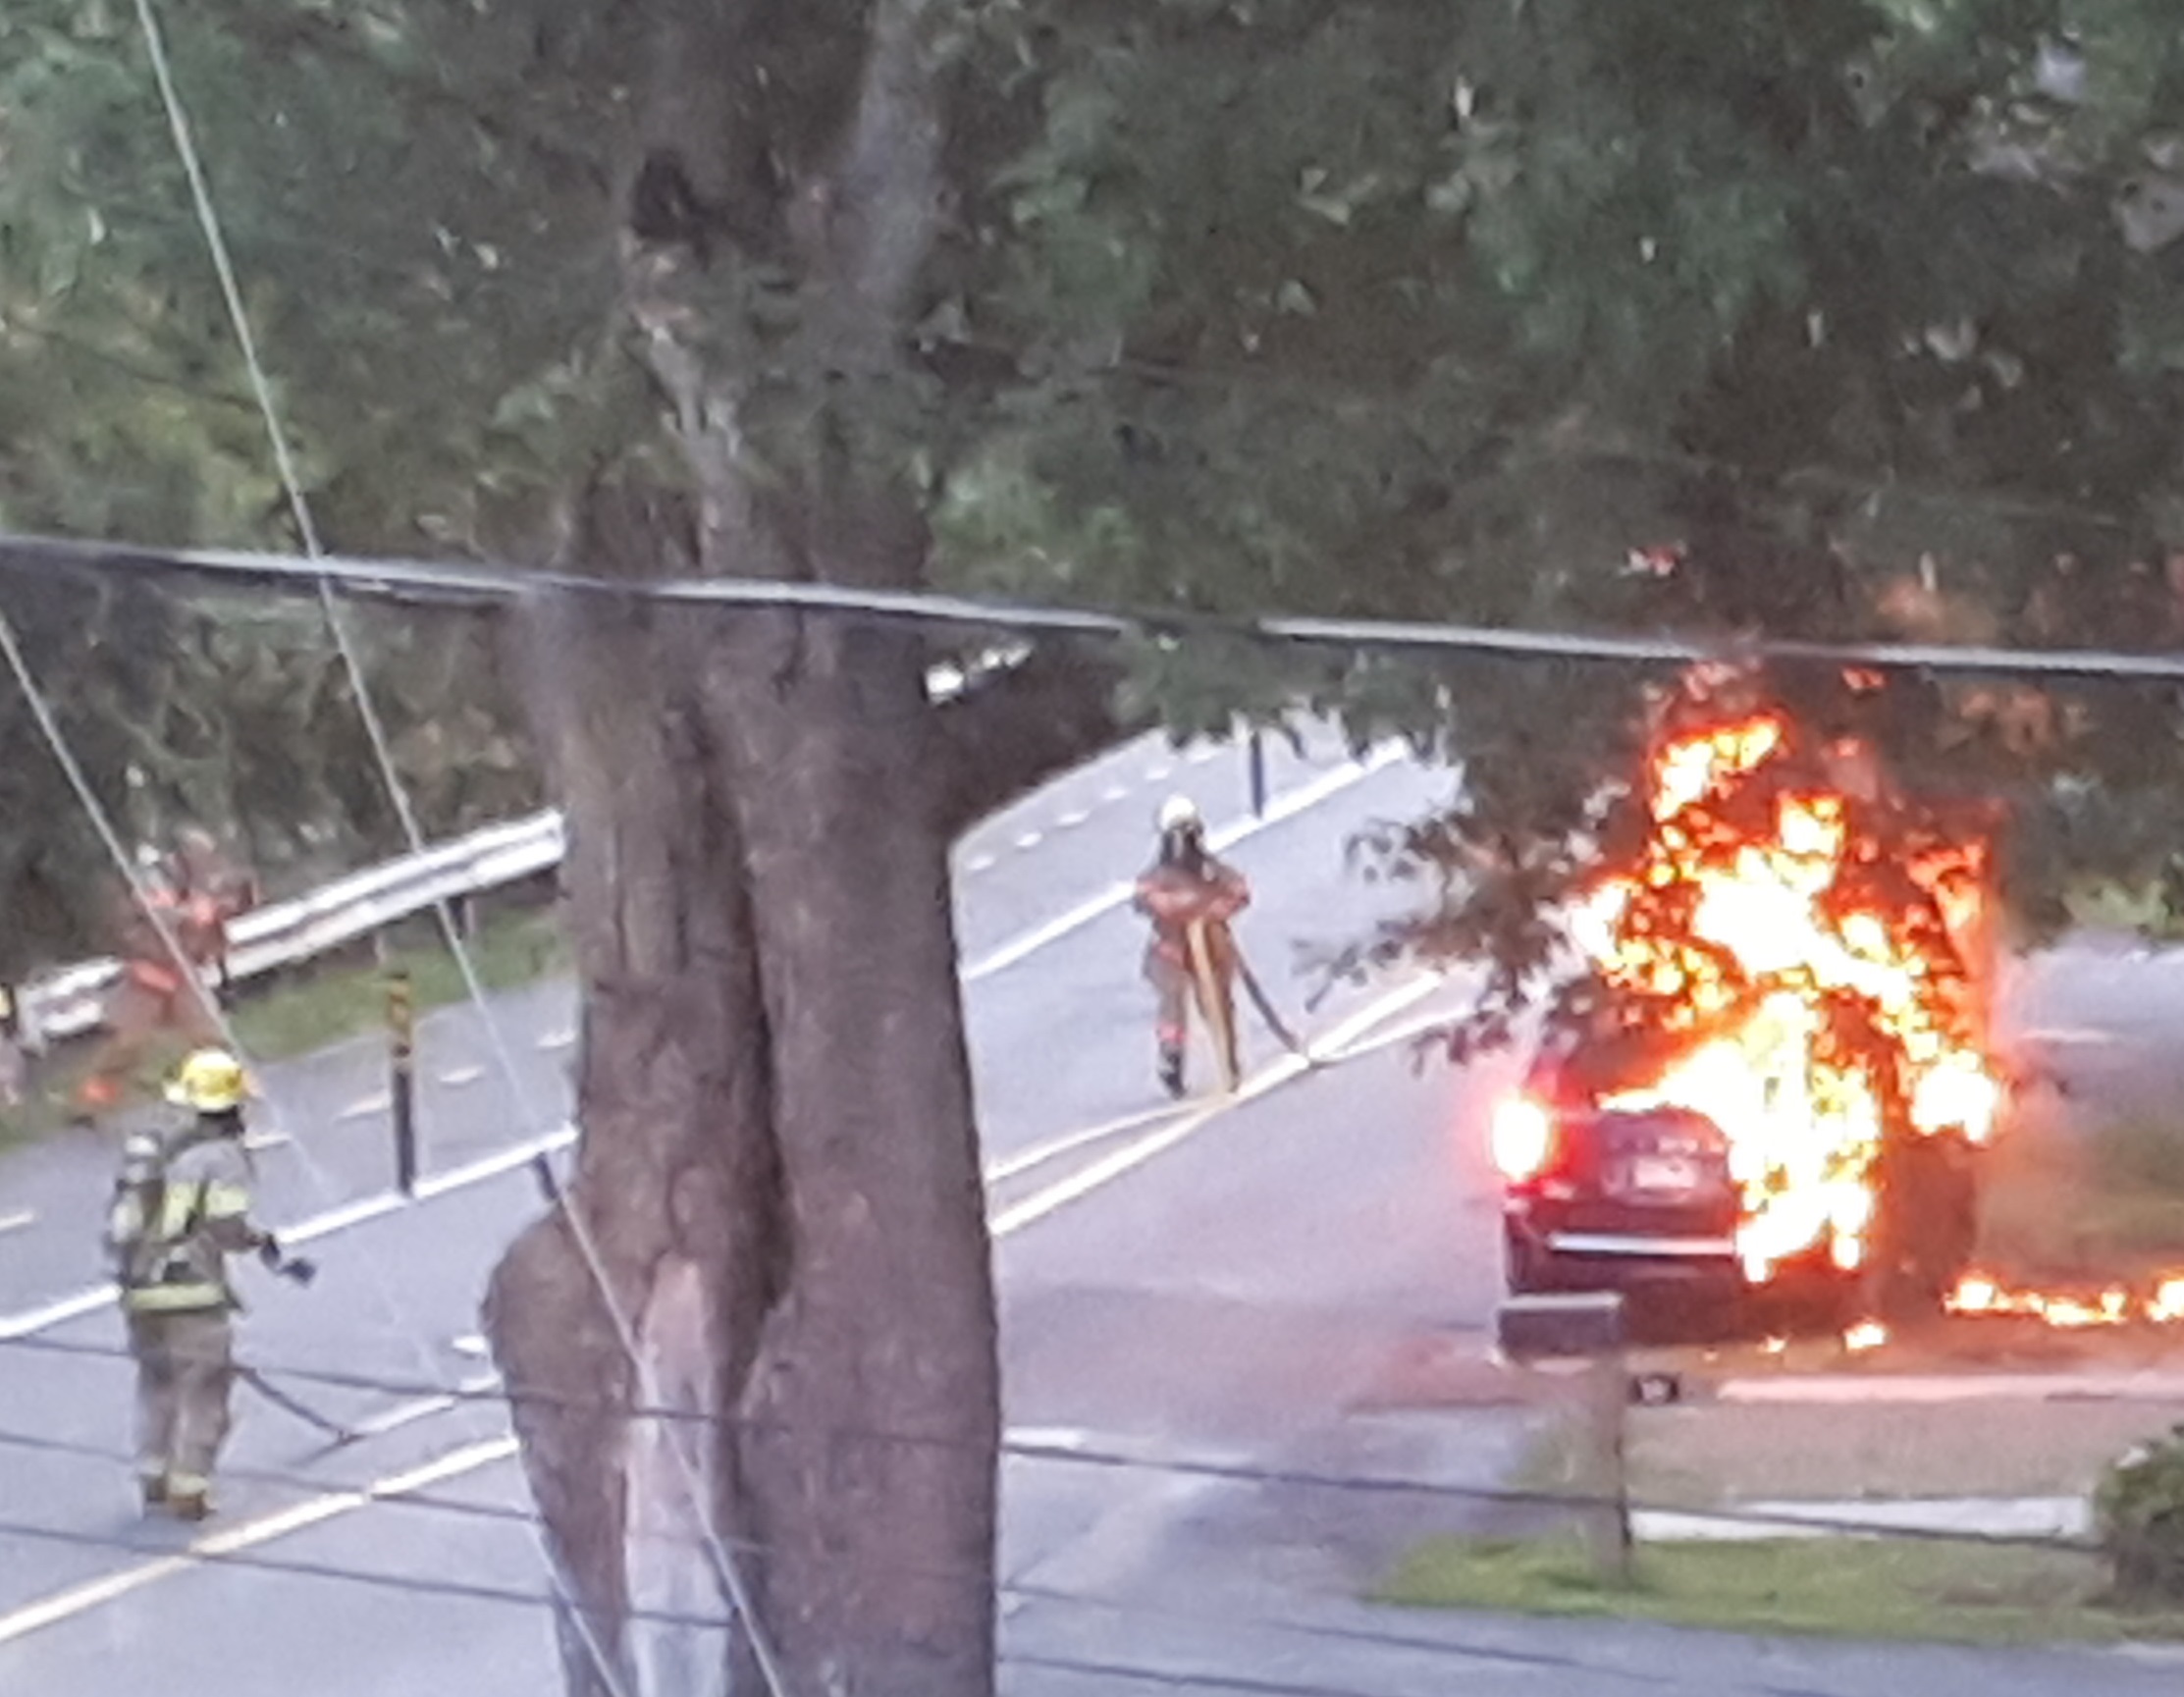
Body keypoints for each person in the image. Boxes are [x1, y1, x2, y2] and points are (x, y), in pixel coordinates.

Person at [104, 1047, 290, 1520]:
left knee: (157, 1381)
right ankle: (189, 1488)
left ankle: (153, 1475)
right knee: (205, 1388)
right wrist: (256, 1240)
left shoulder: (157, 1150)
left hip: (139, 1290)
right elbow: (225, 1225)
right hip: (192, 1292)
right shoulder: (222, 1159)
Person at [76, 830, 258, 1121]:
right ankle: (91, 1107)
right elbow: (148, 916)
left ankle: (226, 1094)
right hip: (147, 979)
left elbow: (231, 908)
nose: (207, 861)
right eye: (200, 854)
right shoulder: (148, 882)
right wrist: (186, 914)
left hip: (184, 977)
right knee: (127, 1045)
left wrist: (223, 905)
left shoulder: (208, 884)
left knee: (208, 1038)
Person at [1133, 796, 1252, 1097]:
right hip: (1172, 949)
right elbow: (1145, 898)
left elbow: (1238, 891)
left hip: (1212, 945)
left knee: (1219, 998)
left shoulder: (1211, 870)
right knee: (1172, 998)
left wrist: (1215, 909)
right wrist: (1179, 908)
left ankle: (1228, 1057)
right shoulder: (1159, 877)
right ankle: (1172, 1055)